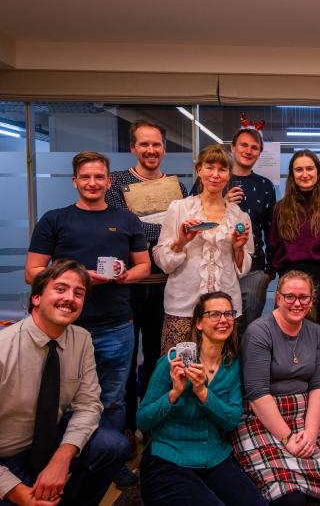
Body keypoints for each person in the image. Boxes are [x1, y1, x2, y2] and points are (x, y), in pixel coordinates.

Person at [25, 151, 150, 437]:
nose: (92, 183)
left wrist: (124, 276)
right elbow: (32, 272)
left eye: (98, 177)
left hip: (116, 326)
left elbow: (144, 266)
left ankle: (108, 455)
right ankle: (67, 455)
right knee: (63, 399)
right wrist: (78, 278)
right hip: (65, 327)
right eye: (85, 177)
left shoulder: (127, 219)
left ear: (109, 182)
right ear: (74, 181)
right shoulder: (54, 219)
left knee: (113, 399)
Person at [0, 260, 130, 506]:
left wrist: (63, 456)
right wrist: (15, 491)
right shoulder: (3, 350)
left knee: (113, 446)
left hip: (51, 443)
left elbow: (89, 405)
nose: (70, 298)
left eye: (78, 293)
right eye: (60, 289)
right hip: (6, 459)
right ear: (36, 298)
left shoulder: (81, 340)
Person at [105, 119, 188, 465]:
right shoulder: (116, 184)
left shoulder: (178, 186)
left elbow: (181, 234)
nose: (151, 150)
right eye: (144, 144)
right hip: (126, 287)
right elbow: (120, 229)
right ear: (133, 148)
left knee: (157, 359)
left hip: (166, 286)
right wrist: (159, 234)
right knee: (124, 361)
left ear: (164, 149)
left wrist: (152, 232)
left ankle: (151, 422)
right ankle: (125, 428)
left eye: (156, 145)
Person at [137, 291, 265, 506]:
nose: (223, 320)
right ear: (198, 323)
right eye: (214, 314)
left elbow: (232, 420)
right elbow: (143, 420)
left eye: (228, 314)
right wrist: (174, 393)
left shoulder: (232, 365)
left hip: (214, 457)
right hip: (169, 457)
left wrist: (202, 392)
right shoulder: (172, 362)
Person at [234, 271, 320, 505]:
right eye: (289, 296)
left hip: (302, 414)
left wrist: (310, 433)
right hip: (263, 416)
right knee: (288, 497)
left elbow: (318, 387)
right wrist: (287, 439)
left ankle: (293, 482)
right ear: (278, 298)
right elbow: (257, 394)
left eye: (303, 297)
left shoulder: (315, 332)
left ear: (312, 299)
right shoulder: (259, 332)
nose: (297, 303)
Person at [154, 145, 253, 353]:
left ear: (229, 174)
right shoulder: (179, 208)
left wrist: (238, 249)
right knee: (180, 366)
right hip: (183, 307)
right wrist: (181, 242)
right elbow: (163, 262)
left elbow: (242, 270)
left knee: (222, 365)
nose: (215, 175)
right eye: (209, 167)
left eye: (222, 169)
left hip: (225, 310)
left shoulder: (240, 216)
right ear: (199, 170)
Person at [192, 123, 276, 329]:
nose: (248, 151)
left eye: (254, 148)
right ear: (233, 148)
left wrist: (269, 272)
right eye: (243, 145)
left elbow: (271, 230)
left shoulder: (265, 185)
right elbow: (192, 217)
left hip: (253, 269)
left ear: (259, 153)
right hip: (214, 265)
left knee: (248, 329)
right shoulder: (211, 179)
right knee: (217, 325)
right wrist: (222, 201)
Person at [268, 150, 320, 342]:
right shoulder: (281, 208)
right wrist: (284, 275)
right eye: (299, 169)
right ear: (292, 175)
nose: (305, 174)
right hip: (290, 281)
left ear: (318, 172)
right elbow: (274, 246)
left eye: (310, 168)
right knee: (286, 338)